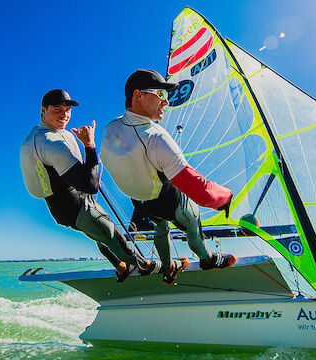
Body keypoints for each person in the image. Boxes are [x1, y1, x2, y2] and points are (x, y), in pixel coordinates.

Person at [101, 69, 236, 285]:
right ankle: (207, 259)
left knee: (161, 227)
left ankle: (168, 266)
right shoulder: (156, 138)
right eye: (161, 95)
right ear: (138, 96)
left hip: (141, 201)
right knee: (193, 223)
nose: (166, 102)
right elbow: (201, 191)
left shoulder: (111, 128)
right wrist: (226, 196)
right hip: (165, 199)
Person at [20, 89, 161, 282]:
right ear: (43, 110)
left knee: (101, 235)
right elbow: (90, 185)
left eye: (67, 110)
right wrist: (89, 145)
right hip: (75, 205)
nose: (64, 114)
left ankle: (121, 268)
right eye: (57, 109)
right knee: (111, 234)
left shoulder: (40, 134)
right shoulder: (50, 142)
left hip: (62, 208)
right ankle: (146, 269)